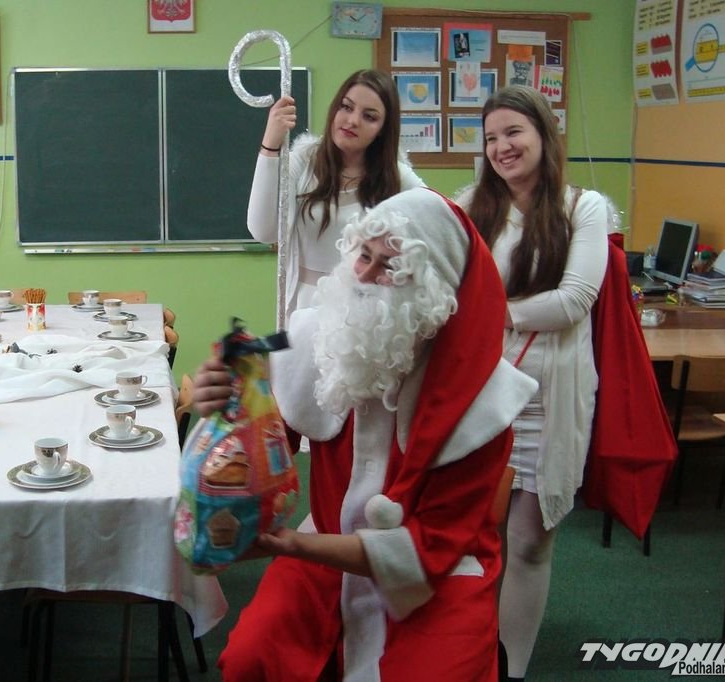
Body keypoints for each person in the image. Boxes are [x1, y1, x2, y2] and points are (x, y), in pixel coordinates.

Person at [195, 187, 538, 680]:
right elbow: (251, 419)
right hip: (324, 546)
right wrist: (222, 395)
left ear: (434, 291)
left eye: (390, 266)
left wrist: (292, 546)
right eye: (363, 255)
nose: (365, 275)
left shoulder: (484, 403)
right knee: (253, 658)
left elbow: (429, 548)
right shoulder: (314, 337)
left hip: (438, 573)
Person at [456, 85, 609, 681]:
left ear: (544, 134)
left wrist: (489, 310)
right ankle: (469, 655)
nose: (502, 147)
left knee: (529, 540)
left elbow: (574, 301)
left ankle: (510, 668)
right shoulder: (470, 208)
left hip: (551, 398)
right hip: (481, 396)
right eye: (491, 138)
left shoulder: (582, 209)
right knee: (475, 533)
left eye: (513, 132)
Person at [247, 69, 426, 319]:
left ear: (383, 129)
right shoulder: (303, 162)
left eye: (369, 116)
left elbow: (442, 223)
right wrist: (270, 145)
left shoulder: (397, 178)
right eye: (346, 107)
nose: (352, 120)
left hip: (365, 316)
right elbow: (263, 231)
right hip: (303, 311)